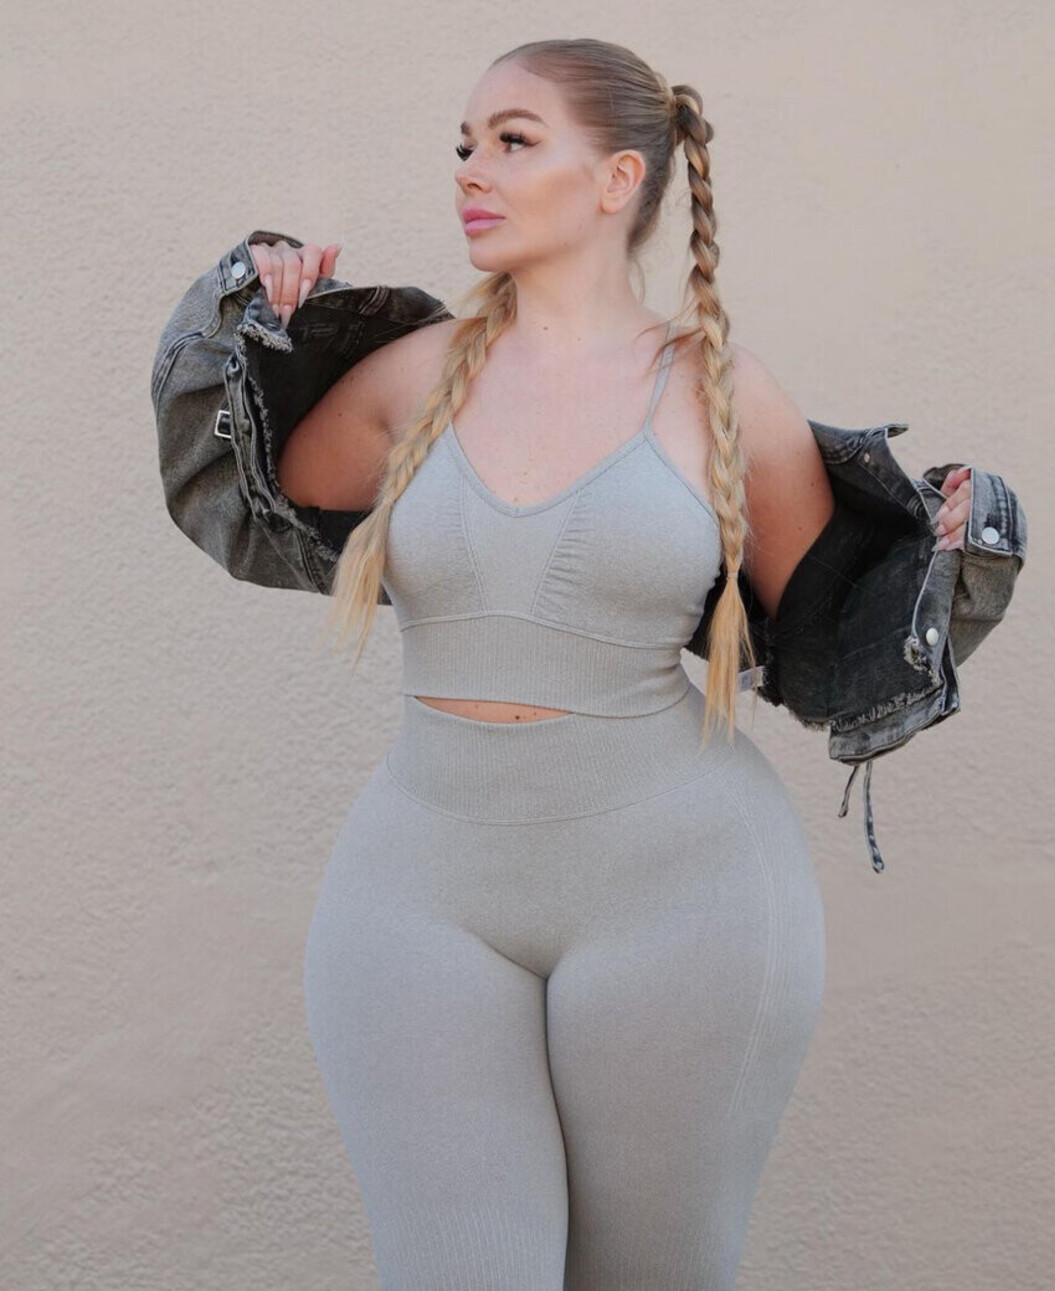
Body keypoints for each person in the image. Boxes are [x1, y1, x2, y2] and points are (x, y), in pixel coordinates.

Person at [163, 38, 989, 1291]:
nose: (470, 170)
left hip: (685, 898)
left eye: (512, 140)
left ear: (616, 180)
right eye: (464, 145)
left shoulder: (720, 395)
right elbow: (254, 487)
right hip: (420, 899)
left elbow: (826, 637)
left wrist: (944, 556)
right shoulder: (408, 377)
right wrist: (260, 321)